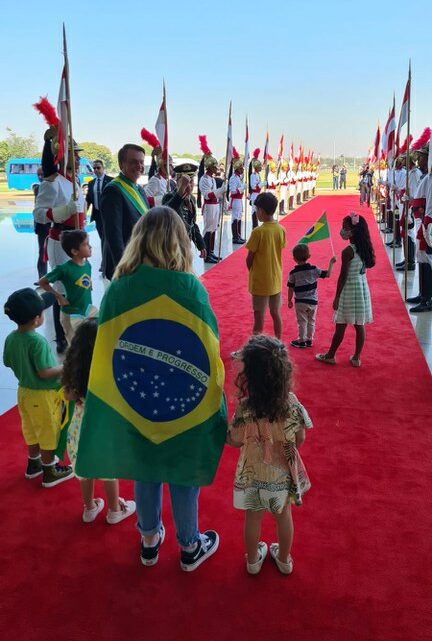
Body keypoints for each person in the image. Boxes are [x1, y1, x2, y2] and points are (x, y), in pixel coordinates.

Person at [75, 207, 227, 571]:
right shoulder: (190, 287)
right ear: (179, 241)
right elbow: (210, 346)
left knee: (145, 467)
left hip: (134, 399)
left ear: (138, 238)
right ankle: (190, 547)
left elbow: (107, 347)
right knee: (182, 471)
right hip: (183, 401)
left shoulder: (118, 287)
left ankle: (148, 540)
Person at [227, 335, 312, 575]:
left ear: (248, 376)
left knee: (253, 517)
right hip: (282, 475)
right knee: (283, 516)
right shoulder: (292, 404)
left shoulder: (245, 407)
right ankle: (284, 559)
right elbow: (300, 438)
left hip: (253, 473)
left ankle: (253, 561)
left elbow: (234, 440)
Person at [61, 319, 136, 524]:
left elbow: (67, 395)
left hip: (80, 430)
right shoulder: (109, 372)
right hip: (103, 430)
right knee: (108, 471)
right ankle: (114, 510)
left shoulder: (74, 372)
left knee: (84, 470)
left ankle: (89, 508)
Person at [3, 288, 74, 486]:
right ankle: (50, 470)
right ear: (36, 319)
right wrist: (65, 366)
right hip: (42, 395)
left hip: (24, 392)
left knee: (32, 429)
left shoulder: (11, 338)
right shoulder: (37, 342)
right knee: (48, 431)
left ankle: (33, 464)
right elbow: (44, 373)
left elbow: (7, 362)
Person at [33, 124, 85, 354]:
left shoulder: (74, 181)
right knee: (62, 290)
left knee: (78, 286)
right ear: (61, 155)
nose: (78, 157)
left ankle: (75, 328)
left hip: (78, 240)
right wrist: (62, 211)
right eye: (73, 153)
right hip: (61, 242)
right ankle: (61, 336)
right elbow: (38, 213)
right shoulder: (52, 182)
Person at [316, 213, 375, 367]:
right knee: (359, 325)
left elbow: (343, 277)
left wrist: (336, 297)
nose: (342, 231)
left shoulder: (348, 251)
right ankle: (356, 357)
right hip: (362, 287)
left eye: (345, 228)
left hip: (349, 289)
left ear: (353, 231)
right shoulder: (365, 247)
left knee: (340, 324)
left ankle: (330, 355)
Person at [100, 143, 150, 280]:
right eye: (133, 162)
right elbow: (113, 235)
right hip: (125, 264)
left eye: (141, 162)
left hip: (140, 260)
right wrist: (123, 268)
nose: (139, 166)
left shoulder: (139, 189)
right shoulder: (113, 190)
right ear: (121, 165)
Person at [39, 230, 97, 345]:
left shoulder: (87, 265)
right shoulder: (63, 269)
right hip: (70, 314)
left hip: (87, 310)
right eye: (86, 244)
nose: (90, 247)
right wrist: (59, 296)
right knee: (75, 346)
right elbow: (43, 282)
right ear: (74, 251)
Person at [245, 192, 286, 339]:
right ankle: (278, 341)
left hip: (261, 280)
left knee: (259, 315)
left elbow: (249, 258)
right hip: (276, 277)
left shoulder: (258, 232)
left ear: (261, 210)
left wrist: (254, 272)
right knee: (275, 312)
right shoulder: (281, 229)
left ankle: (255, 346)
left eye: (257, 210)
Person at [288, 244, 336, 348]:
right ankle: (309, 340)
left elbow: (290, 287)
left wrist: (289, 300)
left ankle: (301, 340)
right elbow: (327, 274)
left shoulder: (293, 273)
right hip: (313, 301)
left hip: (300, 301)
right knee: (311, 321)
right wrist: (331, 262)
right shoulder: (314, 269)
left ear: (294, 259)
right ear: (309, 256)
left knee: (302, 321)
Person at [162, 162, 206, 259]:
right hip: (172, 247)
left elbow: (192, 224)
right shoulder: (170, 197)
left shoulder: (192, 199)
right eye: (185, 182)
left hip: (186, 245)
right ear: (178, 182)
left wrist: (201, 244)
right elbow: (167, 213)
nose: (189, 185)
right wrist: (181, 191)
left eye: (191, 181)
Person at [198, 135, 227, 263]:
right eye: (214, 167)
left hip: (215, 206)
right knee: (208, 230)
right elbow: (207, 195)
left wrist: (223, 199)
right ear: (209, 167)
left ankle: (211, 252)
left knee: (214, 229)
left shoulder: (212, 179)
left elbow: (216, 195)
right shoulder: (204, 179)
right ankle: (206, 255)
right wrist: (220, 190)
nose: (216, 169)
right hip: (209, 206)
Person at [85, 159, 113, 274]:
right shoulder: (91, 183)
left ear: (103, 168)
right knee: (103, 240)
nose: (96, 170)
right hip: (98, 216)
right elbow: (88, 200)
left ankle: (107, 263)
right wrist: (83, 214)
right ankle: (105, 263)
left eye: (98, 168)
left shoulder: (111, 181)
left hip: (110, 216)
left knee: (109, 240)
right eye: (94, 168)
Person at [32, 167, 50, 280]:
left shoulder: (52, 187)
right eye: (38, 175)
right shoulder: (38, 188)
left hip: (53, 224)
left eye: (42, 174)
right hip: (42, 226)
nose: (40, 177)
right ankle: (42, 277)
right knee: (42, 251)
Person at [228, 154, 246, 244]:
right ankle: (235, 237)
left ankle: (238, 235)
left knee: (239, 217)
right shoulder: (233, 178)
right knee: (235, 218)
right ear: (237, 169)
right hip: (235, 200)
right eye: (241, 168)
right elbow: (233, 191)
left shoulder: (238, 177)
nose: (242, 169)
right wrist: (242, 188)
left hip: (239, 200)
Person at [249, 148, 263, 229]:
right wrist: (261, 184)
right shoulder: (253, 175)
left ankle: (256, 224)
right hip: (254, 195)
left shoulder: (257, 174)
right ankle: (254, 226)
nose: (261, 168)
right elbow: (253, 187)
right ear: (256, 167)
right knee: (254, 210)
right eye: (260, 166)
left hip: (258, 194)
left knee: (257, 210)